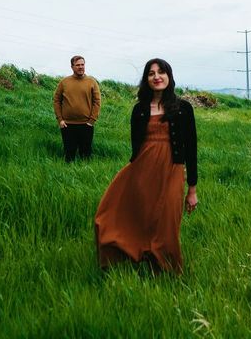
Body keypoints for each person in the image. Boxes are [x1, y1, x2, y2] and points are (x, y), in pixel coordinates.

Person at [95, 58, 198, 273]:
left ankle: (167, 270)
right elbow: (137, 148)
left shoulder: (183, 108)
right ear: (146, 79)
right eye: (151, 74)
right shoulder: (139, 110)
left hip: (172, 169)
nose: (156, 77)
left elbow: (191, 148)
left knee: (167, 221)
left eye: (161, 72)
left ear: (169, 76)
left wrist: (192, 189)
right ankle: (132, 256)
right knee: (117, 214)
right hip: (143, 169)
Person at [53, 55, 101, 162]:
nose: (80, 67)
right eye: (77, 65)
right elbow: (56, 100)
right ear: (72, 67)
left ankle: (84, 176)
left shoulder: (91, 82)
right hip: (67, 125)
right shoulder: (64, 82)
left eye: (82, 64)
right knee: (69, 156)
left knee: (86, 156)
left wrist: (92, 121)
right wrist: (60, 120)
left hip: (86, 125)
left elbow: (97, 102)